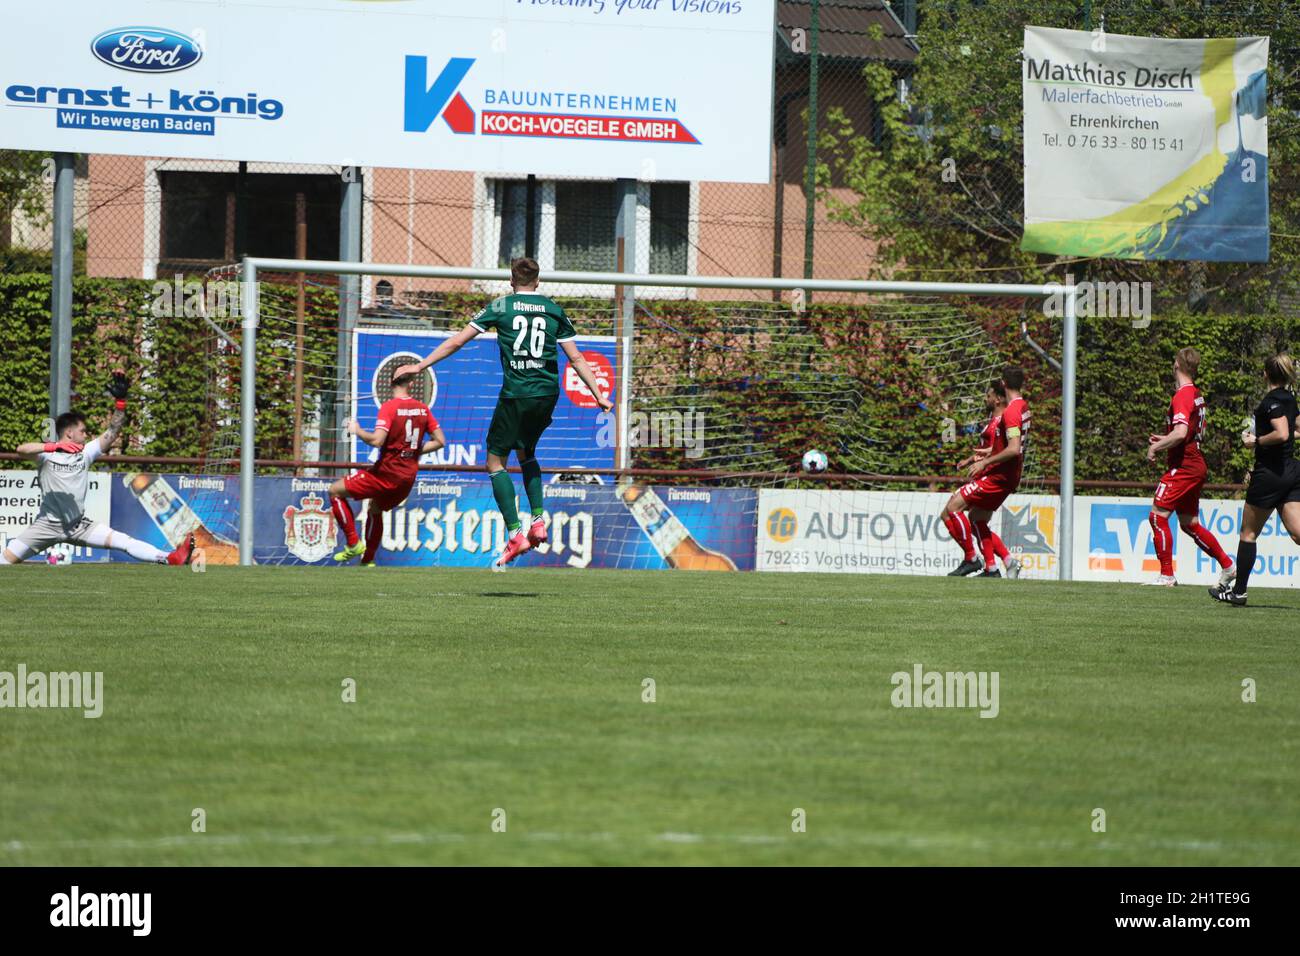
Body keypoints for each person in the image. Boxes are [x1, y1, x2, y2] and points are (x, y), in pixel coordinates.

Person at [396, 257, 612, 569]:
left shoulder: (501, 307)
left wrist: (420, 365)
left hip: (517, 393)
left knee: (495, 461)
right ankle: (538, 521)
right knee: (526, 453)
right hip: (547, 394)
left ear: (512, 281)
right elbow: (576, 358)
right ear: (538, 282)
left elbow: (457, 342)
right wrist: (599, 396)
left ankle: (515, 534)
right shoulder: (553, 309)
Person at [2, 373, 194, 566]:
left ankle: (170, 558)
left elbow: (112, 433)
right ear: (69, 432)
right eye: (82, 431)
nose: (86, 435)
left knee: (125, 542)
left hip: (78, 525)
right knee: (5, 561)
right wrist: (53, 447)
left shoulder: (85, 452)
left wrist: (120, 403)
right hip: (45, 526)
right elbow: (21, 450)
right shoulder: (46, 455)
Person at [1210, 354, 1300, 606]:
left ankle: (1238, 592)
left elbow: (1282, 433)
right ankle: (1238, 591)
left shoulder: (1271, 401)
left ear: (1265, 374)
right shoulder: (1289, 398)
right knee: (1298, 534)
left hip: (1270, 474)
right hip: (1291, 471)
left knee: (1248, 534)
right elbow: (1296, 430)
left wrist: (1256, 441)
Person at [330, 371, 445, 567]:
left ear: (390, 382)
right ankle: (368, 560)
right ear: (411, 383)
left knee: (334, 491)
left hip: (386, 473)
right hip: (407, 478)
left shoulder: (389, 407)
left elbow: (377, 440)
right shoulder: (423, 410)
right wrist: (412, 450)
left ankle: (352, 543)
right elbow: (440, 441)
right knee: (375, 508)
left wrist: (356, 430)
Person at [1144, 347, 1234, 589]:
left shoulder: (1182, 395)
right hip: (1194, 463)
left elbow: (1181, 433)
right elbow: (1186, 433)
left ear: (1177, 365)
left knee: (1157, 517)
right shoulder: (1196, 394)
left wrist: (1156, 448)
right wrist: (1164, 440)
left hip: (1184, 466)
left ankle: (1166, 576)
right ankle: (1228, 565)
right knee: (1189, 523)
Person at [941, 366, 1029, 578]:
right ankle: (994, 566)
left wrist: (984, 462)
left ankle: (971, 559)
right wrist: (978, 457)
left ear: (1003, 383)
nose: (985, 399)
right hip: (1005, 475)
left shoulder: (1011, 412)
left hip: (998, 476)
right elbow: (1010, 444)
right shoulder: (1023, 407)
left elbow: (1013, 448)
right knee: (977, 519)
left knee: (953, 508)